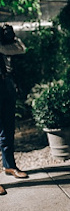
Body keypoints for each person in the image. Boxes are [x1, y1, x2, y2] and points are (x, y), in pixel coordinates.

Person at [0, 25, 29, 196]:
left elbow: (20, 49)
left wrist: (4, 45)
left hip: (5, 83)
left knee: (8, 128)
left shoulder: (3, 33)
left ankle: (9, 166)